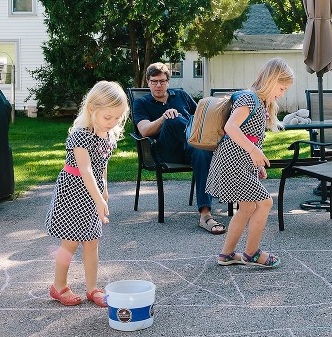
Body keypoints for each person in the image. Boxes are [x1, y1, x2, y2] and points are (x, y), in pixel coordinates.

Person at [45, 80, 129, 307]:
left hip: (92, 195)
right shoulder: (80, 135)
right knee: (70, 243)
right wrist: (98, 197)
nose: (112, 123)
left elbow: (102, 166)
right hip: (72, 193)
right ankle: (58, 286)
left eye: (117, 118)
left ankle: (92, 288)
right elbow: (86, 169)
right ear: (92, 110)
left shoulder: (108, 136)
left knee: (92, 242)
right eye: (108, 117)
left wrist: (105, 190)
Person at [206, 57, 294, 268]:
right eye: (281, 88)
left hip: (241, 161)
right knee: (265, 202)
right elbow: (231, 127)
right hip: (232, 160)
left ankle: (226, 254)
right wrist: (254, 151)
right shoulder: (249, 98)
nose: (281, 94)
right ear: (271, 80)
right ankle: (251, 253)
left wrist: (258, 162)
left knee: (246, 207)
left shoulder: (260, 102)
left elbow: (251, 135)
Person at [132, 62, 226, 234]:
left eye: (162, 81)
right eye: (154, 81)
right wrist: (163, 118)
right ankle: (219, 149)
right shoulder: (141, 103)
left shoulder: (181, 95)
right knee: (172, 119)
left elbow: (201, 120)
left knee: (202, 151)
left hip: (190, 148)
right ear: (147, 82)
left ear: (168, 81)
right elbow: (144, 130)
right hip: (165, 151)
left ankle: (205, 215)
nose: (158, 85)